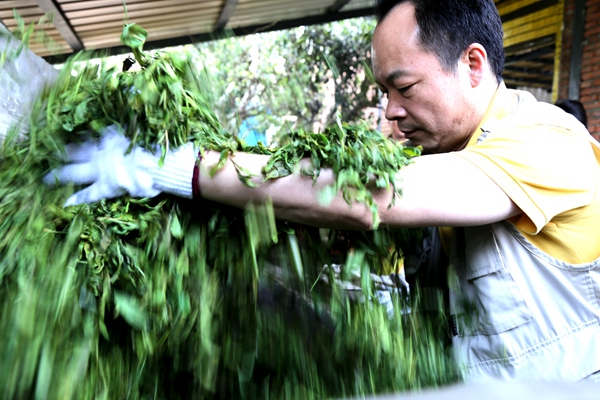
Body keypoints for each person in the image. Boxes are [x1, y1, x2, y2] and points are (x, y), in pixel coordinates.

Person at [45, 0, 600, 383]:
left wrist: (176, 168)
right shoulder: (445, 156)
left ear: (472, 65)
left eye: (403, 88)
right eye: (384, 92)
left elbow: (370, 198)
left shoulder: (546, 141)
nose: (391, 112)